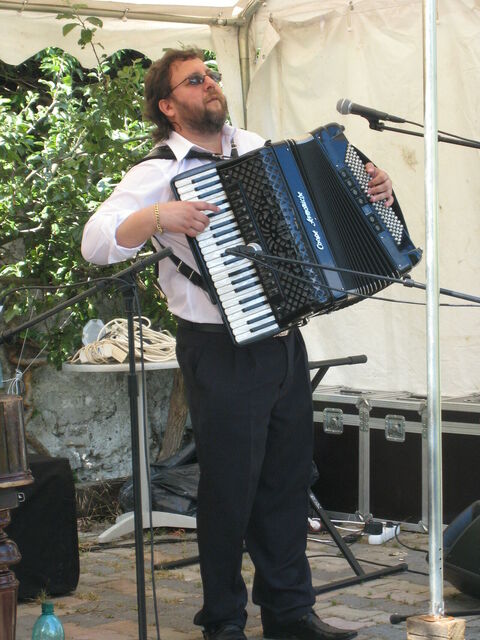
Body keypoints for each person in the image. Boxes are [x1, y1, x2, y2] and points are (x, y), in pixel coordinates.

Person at [82, 48, 394, 640]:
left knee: (286, 483)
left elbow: (320, 201)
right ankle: (223, 619)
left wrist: (369, 185)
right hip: (219, 348)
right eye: (194, 80)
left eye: (212, 75)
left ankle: (289, 613)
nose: (210, 84)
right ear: (168, 105)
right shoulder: (156, 173)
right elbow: (95, 243)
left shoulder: (254, 146)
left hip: (283, 340)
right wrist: (159, 217)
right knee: (229, 490)